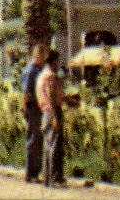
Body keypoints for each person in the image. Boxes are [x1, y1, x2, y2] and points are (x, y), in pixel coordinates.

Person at [37, 55, 67, 186]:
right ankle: (53, 176)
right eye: (57, 62)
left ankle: (48, 177)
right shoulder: (50, 76)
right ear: (53, 62)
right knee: (54, 144)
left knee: (48, 144)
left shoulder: (42, 75)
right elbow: (51, 96)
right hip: (52, 111)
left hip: (46, 111)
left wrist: (67, 99)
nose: (58, 65)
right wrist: (55, 117)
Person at [21, 45, 47, 184]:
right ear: (38, 55)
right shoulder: (31, 70)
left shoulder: (38, 69)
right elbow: (26, 93)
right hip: (33, 108)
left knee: (38, 140)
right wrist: (26, 110)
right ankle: (31, 173)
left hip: (38, 107)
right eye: (43, 56)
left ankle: (35, 171)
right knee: (33, 139)